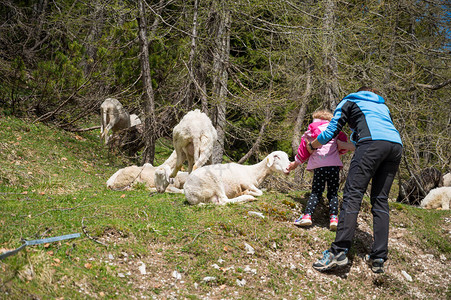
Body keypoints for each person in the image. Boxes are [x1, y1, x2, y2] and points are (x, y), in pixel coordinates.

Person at [307, 87, 403, 274]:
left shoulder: (349, 101)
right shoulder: (382, 106)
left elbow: (331, 130)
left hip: (372, 144)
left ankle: (338, 252)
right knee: (380, 200)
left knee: (352, 194)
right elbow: (364, 134)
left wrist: (312, 145)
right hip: (396, 146)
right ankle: (379, 257)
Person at [287, 110, 355, 231]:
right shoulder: (335, 130)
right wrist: (339, 152)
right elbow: (343, 144)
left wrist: (296, 162)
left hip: (319, 166)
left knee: (316, 192)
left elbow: (304, 149)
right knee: (333, 192)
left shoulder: (311, 131)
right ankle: (334, 218)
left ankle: (307, 215)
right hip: (334, 166)